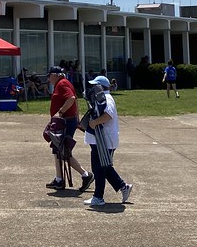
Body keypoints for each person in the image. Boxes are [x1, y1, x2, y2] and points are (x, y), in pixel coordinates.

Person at [82, 75, 133, 207]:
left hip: (105, 140)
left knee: (99, 169)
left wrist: (94, 123)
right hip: (100, 140)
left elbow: (108, 115)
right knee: (104, 167)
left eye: (95, 85)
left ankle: (98, 197)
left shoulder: (107, 98)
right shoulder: (100, 98)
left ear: (101, 87)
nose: (92, 88)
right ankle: (123, 187)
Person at [46, 66, 92, 192]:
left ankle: (85, 175)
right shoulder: (62, 83)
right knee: (57, 150)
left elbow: (71, 99)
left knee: (63, 151)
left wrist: (60, 112)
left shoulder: (62, 83)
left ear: (55, 75)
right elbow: (75, 100)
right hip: (66, 121)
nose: (48, 78)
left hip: (65, 122)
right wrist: (77, 119)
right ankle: (59, 179)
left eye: (49, 75)